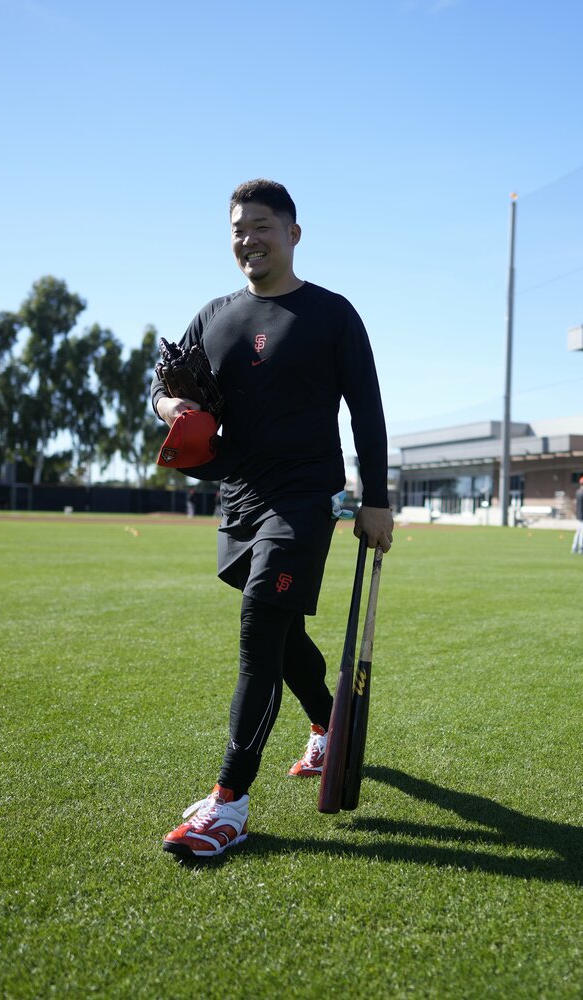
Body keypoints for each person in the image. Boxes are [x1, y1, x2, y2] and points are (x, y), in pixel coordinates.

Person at [154, 179, 393, 860]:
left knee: (261, 628)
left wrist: (374, 500)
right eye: (237, 229)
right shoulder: (216, 315)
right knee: (283, 637)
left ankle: (229, 804)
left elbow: (367, 411)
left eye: (261, 226)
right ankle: (327, 727)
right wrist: (173, 411)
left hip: (305, 498)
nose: (248, 240)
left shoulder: (331, 315)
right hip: (240, 499)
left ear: (292, 233)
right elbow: (164, 388)